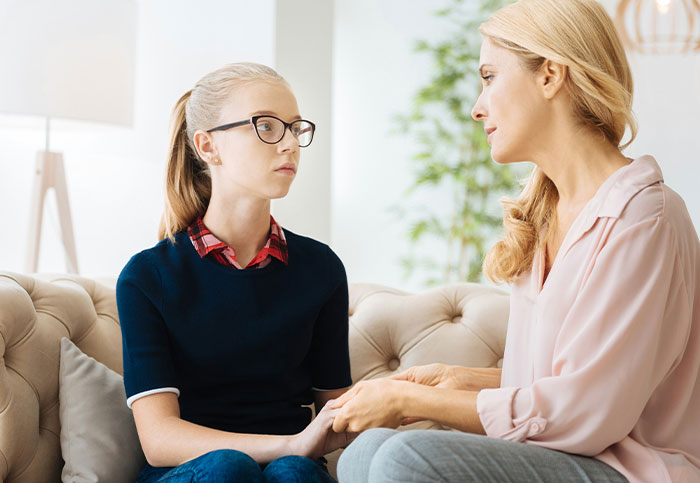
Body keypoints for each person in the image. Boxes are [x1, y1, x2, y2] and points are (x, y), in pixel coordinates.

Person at [331, 0, 700, 481]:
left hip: (631, 470)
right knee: (368, 451)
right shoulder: (544, 216)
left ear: (549, 75)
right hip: (568, 455)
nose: (475, 107)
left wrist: (412, 398)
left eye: (488, 77)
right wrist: (461, 380)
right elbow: (571, 381)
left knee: (405, 459)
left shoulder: (644, 217)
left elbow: (588, 413)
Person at [116, 62, 353, 482]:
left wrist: (406, 398)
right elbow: (158, 440)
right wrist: (291, 443)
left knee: (296, 474)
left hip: (290, 469)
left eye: (295, 128)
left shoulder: (322, 269)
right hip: (194, 471)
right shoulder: (147, 277)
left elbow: (338, 408)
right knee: (231, 467)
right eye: (266, 126)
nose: (289, 145)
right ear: (208, 146)